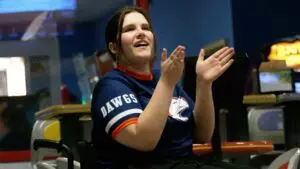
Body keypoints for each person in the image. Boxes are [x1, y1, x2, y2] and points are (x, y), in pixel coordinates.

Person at [91, 6, 256, 169]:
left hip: (188, 163)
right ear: (114, 48)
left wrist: (204, 84)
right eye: (129, 29)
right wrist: (166, 83)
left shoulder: (162, 78)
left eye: (146, 28)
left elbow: (202, 135)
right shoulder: (111, 86)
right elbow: (144, 141)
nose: (141, 32)